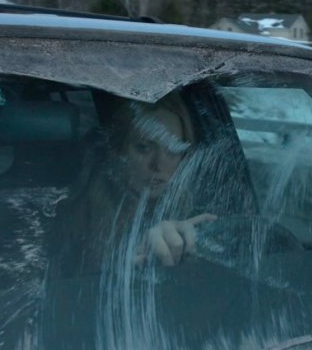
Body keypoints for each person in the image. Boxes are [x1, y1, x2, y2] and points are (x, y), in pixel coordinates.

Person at [57, 90, 232, 274]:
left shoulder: (195, 215)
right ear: (118, 150)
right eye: (144, 148)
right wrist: (124, 265)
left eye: (172, 151)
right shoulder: (76, 219)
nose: (158, 165)